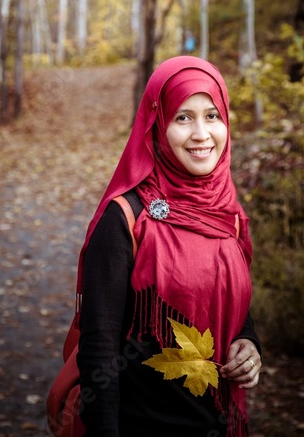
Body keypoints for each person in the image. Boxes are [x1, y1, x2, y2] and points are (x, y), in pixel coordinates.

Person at [76, 56, 262, 437]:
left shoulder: (228, 211)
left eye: (212, 115)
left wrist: (249, 341)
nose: (201, 133)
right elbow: (99, 353)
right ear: (157, 124)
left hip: (223, 425)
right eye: (182, 117)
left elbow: (227, 298)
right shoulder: (125, 219)